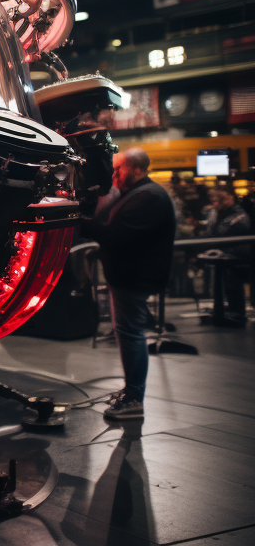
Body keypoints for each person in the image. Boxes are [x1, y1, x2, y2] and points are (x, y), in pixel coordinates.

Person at [80, 148, 176, 421]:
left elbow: (120, 237)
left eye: (118, 170)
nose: (114, 175)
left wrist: (82, 223)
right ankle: (131, 391)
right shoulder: (137, 194)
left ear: (135, 169)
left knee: (131, 334)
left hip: (134, 278)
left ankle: (134, 398)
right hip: (128, 276)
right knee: (128, 332)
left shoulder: (149, 197)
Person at [208, 187, 250, 326]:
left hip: (238, 254)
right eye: (217, 199)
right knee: (227, 282)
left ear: (232, 198)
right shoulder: (219, 213)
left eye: (223, 198)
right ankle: (231, 310)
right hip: (229, 252)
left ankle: (238, 313)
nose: (219, 202)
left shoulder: (239, 214)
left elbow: (221, 231)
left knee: (233, 283)